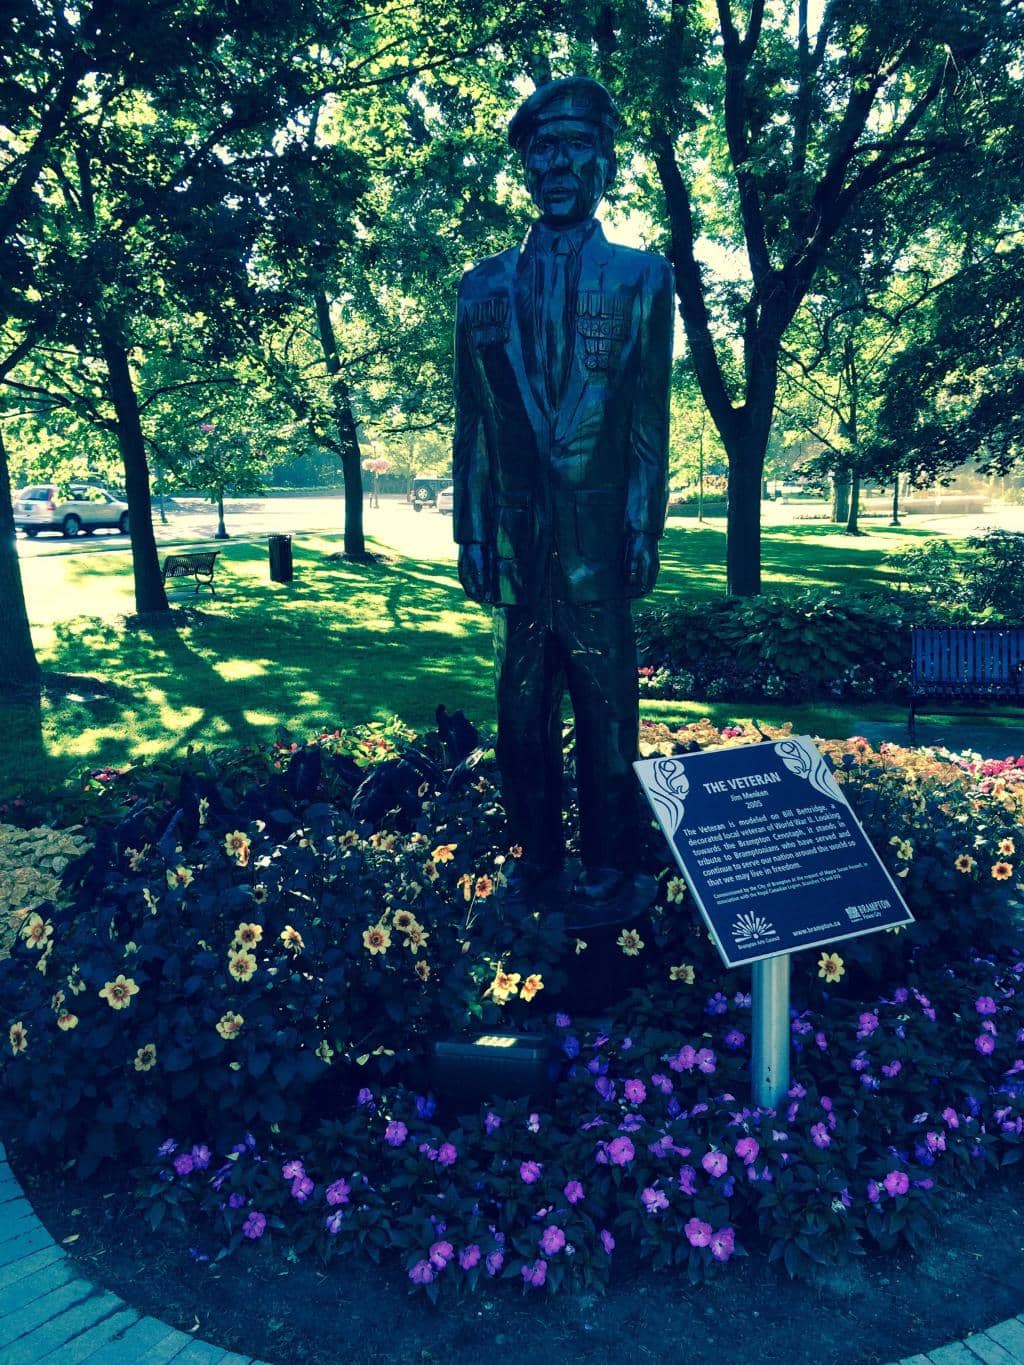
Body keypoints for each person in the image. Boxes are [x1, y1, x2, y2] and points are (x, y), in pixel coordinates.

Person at [452, 76, 673, 923]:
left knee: (609, 720)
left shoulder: (641, 278)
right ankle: (537, 863)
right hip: (514, 546)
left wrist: (642, 524)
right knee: (518, 721)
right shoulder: (480, 289)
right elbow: (472, 424)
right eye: (542, 148)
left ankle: (613, 868)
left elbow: (648, 416)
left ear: (605, 163)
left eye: (574, 145)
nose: (556, 163)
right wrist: (473, 537)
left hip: (598, 542)